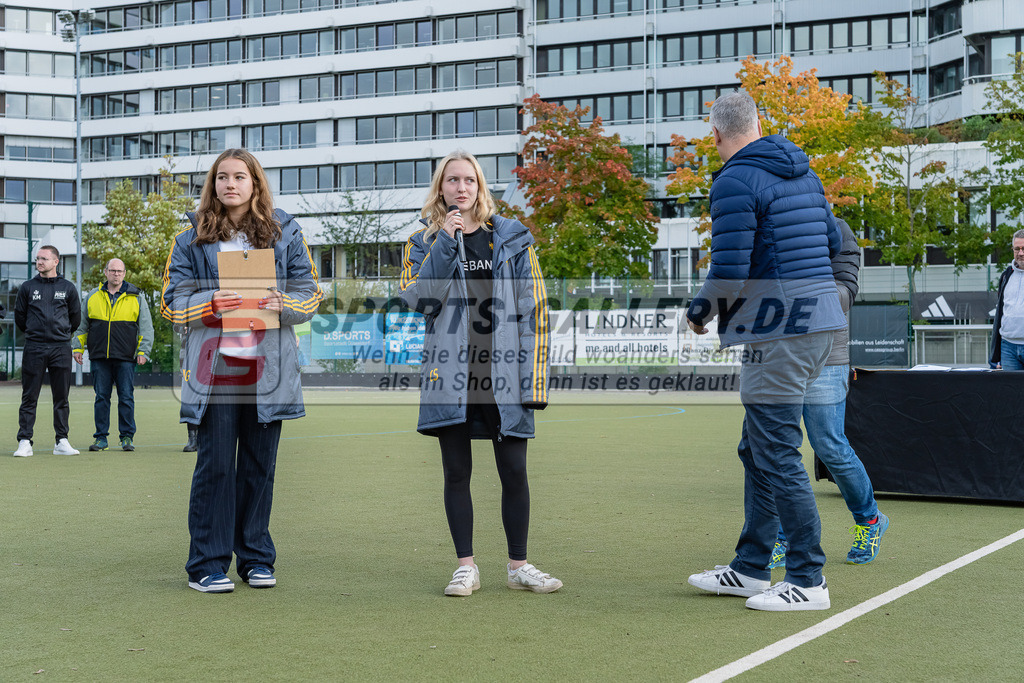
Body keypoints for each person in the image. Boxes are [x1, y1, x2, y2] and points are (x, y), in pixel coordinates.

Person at [684, 91, 846, 611]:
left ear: (715, 134)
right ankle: (753, 568)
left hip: (779, 331)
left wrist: (699, 311)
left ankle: (808, 580)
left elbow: (728, 270)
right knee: (757, 449)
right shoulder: (804, 172)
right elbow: (835, 243)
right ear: (759, 124)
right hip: (818, 325)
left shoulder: (733, 179)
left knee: (775, 454)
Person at [399, 150, 560, 596]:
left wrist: (536, 382)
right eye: (452, 181)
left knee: (514, 472)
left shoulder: (510, 238)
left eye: (469, 180)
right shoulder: (421, 242)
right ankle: (466, 566)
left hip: (504, 377)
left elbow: (537, 311)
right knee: (456, 473)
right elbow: (419, 301)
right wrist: (445, 244)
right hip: (450, 376)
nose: (461, 188)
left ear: (480, 187)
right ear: (441, 189)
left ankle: (518, 565)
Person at [162, 148, 323, 593]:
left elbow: (309, 293)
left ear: (255, 183)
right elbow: (170, 303)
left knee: (258, 466)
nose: (230, 184)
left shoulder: (285, 231)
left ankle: (255, 558)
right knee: (215, 467)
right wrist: (205, 304)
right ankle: (207, 564)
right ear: (212, 185)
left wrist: (283, 304)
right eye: (222, 177)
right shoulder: (188, 239)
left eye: (240, 176)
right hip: (215, 370)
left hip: (268, 370)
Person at [767, 218, 889, 571]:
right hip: (779, 359)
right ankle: (782, 538)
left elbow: (845, 295)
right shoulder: (771, 228)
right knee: (778, 450)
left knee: (830, 447)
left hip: (826, 359)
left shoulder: (837, 229)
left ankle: (869, 520)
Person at [73, 258, 154, 452]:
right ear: (106, 272)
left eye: (119, 271)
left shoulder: (136, 297)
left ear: (124, 273)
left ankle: (127, 437)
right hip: (99, 357)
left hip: (126, 357)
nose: (116, 274)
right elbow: (82, 325)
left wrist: (143, 351)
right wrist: (77, 347)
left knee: (126, 397)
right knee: (101, 397)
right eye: (112, 270)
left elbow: (146, 327)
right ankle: (101, 438)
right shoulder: (92, 296)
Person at [14, 245, 82, 457]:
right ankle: (25, 441)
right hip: (34, 347)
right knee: (29, 396)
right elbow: (20, 318)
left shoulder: (69, 288)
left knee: (61, 397)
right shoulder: (27, 287)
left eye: (44, 259)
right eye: (37, 259)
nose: (39, 262)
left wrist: (61, 334)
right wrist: (36, 334)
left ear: (55, 262)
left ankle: (61, 441)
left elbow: (75, 318)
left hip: (61, 348)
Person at [989, 229, 1024, 370]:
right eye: (1017, 249)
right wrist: (996, 355)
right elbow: (1000, 314)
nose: (1021, 253)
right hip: (1008, 348)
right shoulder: (1006, 275)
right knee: (1009, 392)